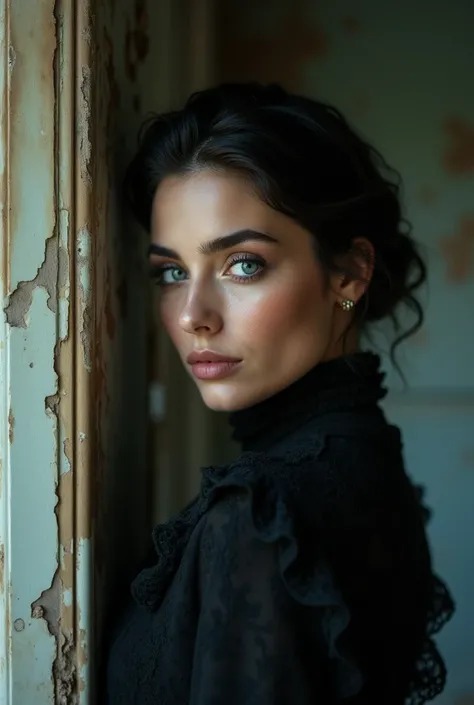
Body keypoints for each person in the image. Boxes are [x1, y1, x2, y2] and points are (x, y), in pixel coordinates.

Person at [107, 82, 454, 704]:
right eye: (171, 272)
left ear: (349, 273)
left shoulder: (262, 520)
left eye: (243, 264)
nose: (193, 315)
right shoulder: (360, 461)